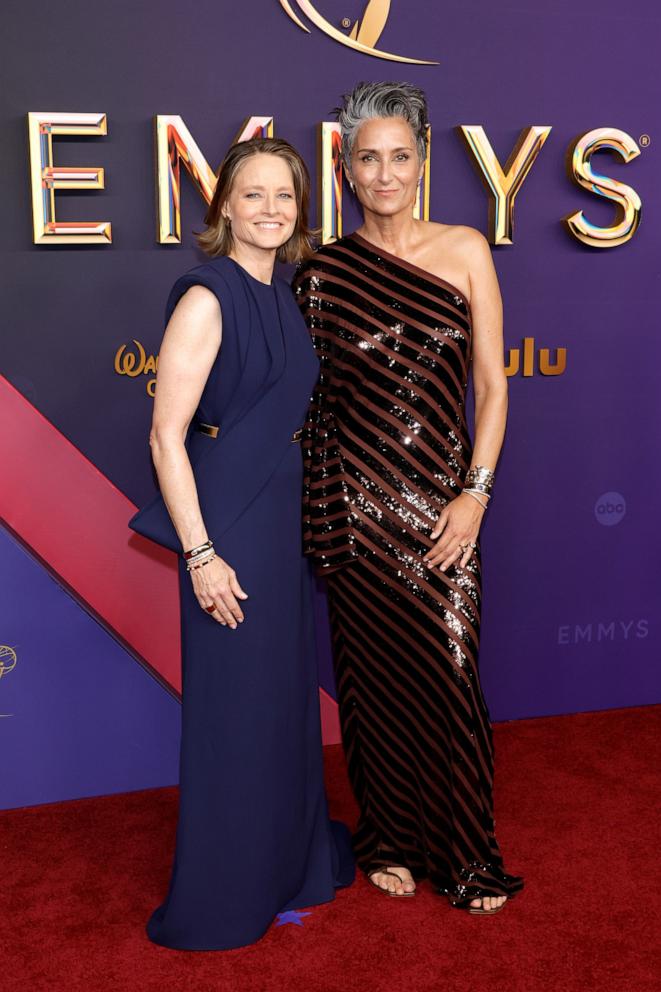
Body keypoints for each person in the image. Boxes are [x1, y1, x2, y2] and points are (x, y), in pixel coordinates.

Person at [293, 82, 523, 914]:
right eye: (367, 159)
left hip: (444, 505)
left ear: (420, 161)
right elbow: (308, 406)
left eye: (399, 156)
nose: (384, 174)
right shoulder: (321, 270)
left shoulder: (465, 248)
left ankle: (465, 853)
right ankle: (387, 837)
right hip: (356, 512)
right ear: (346, 169)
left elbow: (492, 388)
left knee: (451, 677)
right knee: (374, 684)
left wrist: (475, 496)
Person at [128, 136, 353, 951]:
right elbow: (165, 436)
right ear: (223, 204)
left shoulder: (290, 292)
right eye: (253, 194)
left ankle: (287, 866)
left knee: (280, 705)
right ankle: (225, 891)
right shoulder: (207, 296)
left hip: (283, 523)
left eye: (284, 196)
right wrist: (198, 553)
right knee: (236, 710)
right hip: (227, 526)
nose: (269, 210)